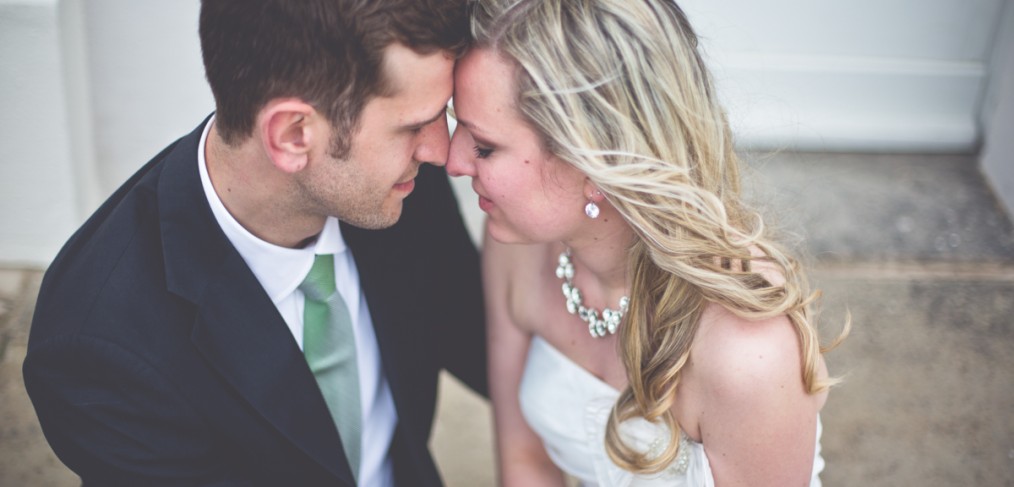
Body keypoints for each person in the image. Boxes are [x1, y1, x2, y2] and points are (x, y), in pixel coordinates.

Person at [23, 1, 486, 486]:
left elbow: (476, 337)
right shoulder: (98, 347)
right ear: (291, 135)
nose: (442, 153)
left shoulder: (394, 185)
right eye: (415, 126)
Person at [447, 0, 847, 485]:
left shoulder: (748, 353)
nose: (453, 161)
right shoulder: (518, 249)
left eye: (484, 146)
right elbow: (525, 464)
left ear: (591, 160)